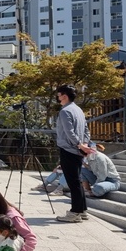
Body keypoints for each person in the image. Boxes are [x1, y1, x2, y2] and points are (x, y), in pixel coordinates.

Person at [55, 84, 93, 223]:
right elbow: (86, 130)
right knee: (77, 180)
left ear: (64, 96)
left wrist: (79, 144)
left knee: (73, 182)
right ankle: (82, 210)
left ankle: (75, 212)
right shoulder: (78, 110)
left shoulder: (65, 111)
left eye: (58, 96)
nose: (58, 98)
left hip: (68, 149)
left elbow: (69, 131)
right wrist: (84, 144)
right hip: (78, 150)